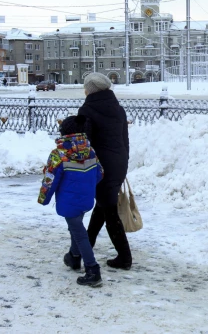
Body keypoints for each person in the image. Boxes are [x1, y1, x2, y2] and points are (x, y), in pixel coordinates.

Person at [38, 115, 104, 287]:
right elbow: (99, 173)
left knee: (80, 233)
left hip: (69, 200)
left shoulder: (59, 154)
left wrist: (43, 199)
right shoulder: (90, 150)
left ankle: (92, 269)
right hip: (86, 199)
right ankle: (74, 257)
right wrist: (85, 187)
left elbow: (49, 180)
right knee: (76, 227)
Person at [78, 72, 132, 270]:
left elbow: (85, 144)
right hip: (119, 163)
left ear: (90, 90)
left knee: (109, 211)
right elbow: (124, 140)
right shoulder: (118, 109)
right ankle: (80, 250)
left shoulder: (87, 110)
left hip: (100, 167)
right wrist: (123, 162)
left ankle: (125, 258)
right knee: (102, 207)